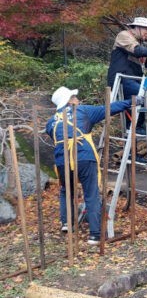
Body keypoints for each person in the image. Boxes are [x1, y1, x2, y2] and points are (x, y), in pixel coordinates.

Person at [46, 86, 138, 245]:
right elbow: (109, 108)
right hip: (84, 156)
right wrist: (131, 102)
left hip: (62, 160)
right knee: (91, 193)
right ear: (69, 101)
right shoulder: (82, 111)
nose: (77, 99)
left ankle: (67, 223)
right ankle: (95, 235)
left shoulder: (51, 122)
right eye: (74, 97)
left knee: (66, 190)